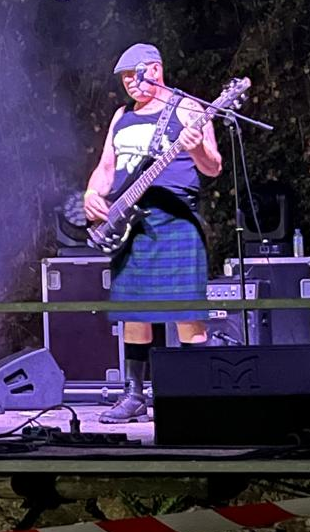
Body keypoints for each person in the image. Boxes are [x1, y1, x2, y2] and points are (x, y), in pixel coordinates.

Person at [82, 44, 223, 424]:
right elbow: (106, 167)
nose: (129, 83)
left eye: (135, 74)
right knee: (133, 312)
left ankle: (198, 395)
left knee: (187, 312)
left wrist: (197, 152)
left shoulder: (187, 108)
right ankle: (134, 395)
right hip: (130, 221)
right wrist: (93, 193)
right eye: (124, 77)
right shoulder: (121, 116)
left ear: (156, 70)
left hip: (175, 218)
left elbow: (213, 167)